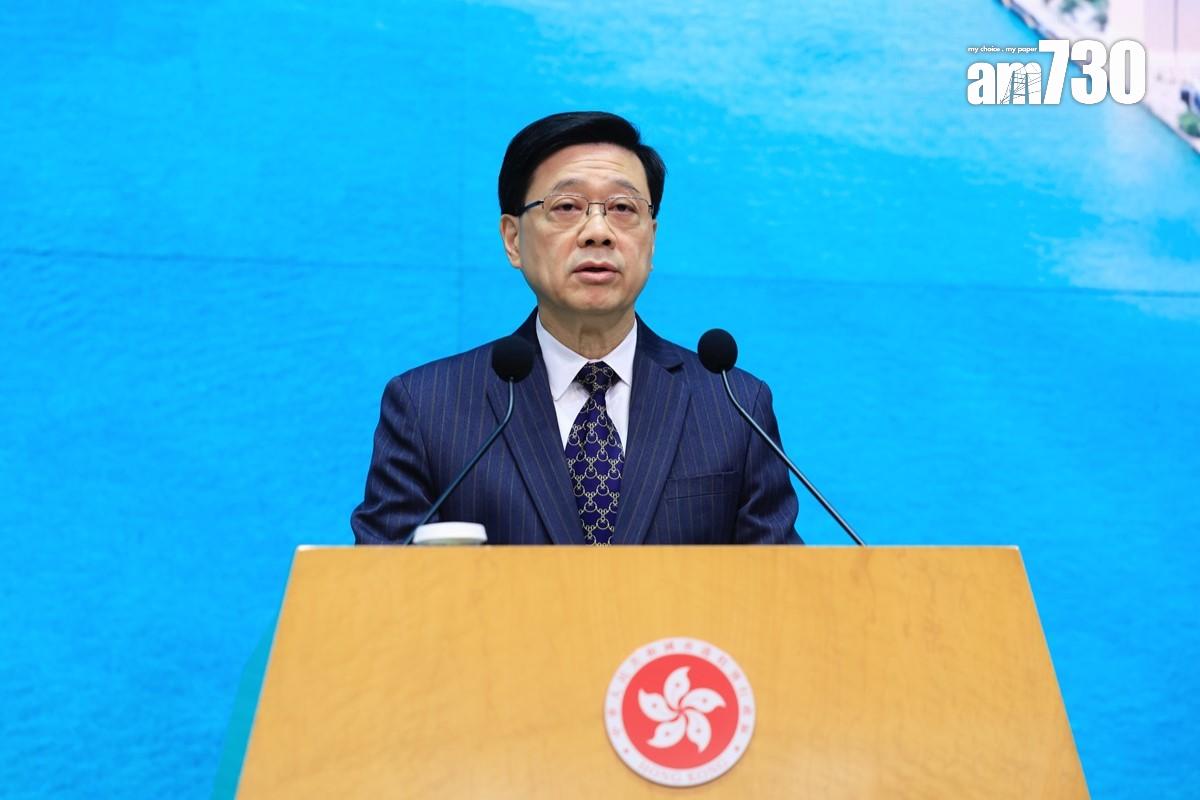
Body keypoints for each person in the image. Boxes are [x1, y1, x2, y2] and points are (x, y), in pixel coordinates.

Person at [351, 111, 800, 545]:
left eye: (623, 208)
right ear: (513, 239)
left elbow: (780, 585)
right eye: (566, 206)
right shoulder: (427, 408)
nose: (598, 231)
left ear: (651, 238)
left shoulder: (733, 406)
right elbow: (381, 584)